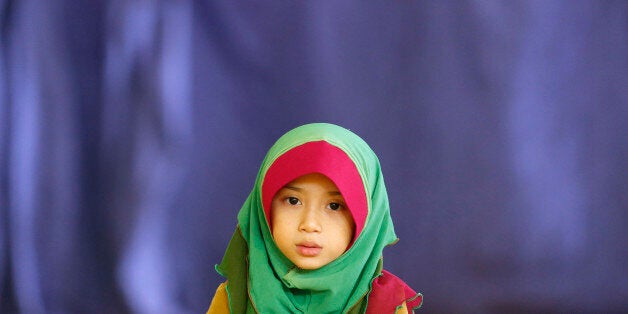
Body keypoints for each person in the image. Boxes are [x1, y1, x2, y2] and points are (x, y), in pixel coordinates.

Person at [207, 123, 422, 313]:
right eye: (293, 201)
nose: (309, 224)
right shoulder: (234, 298)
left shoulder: (385, 306)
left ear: (366, 221)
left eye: (335, 206)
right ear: (263, 208)